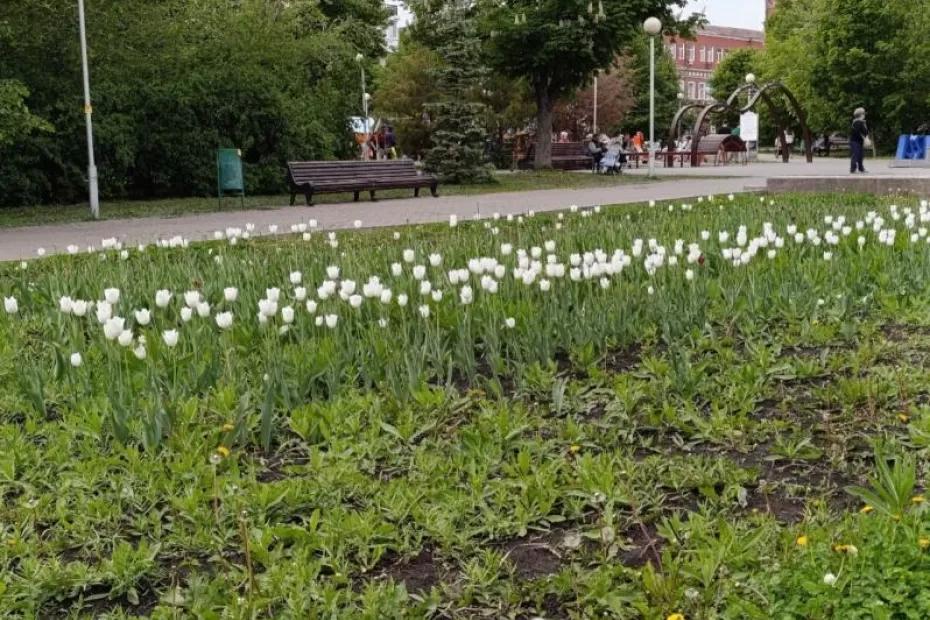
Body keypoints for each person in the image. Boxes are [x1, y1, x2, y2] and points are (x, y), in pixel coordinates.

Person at [850, 107, 869, 174]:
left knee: (860, 155)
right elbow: (859, 132)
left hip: (859, 141)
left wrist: (864, 124)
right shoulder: (857, 122)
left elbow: (866, 132)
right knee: (855, 155)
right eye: (863, 114)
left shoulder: (861, 122)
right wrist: (865, 138)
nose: (864, 115)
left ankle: (861, 169)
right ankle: (853, 169)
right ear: (861, 115)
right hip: (855, 141)